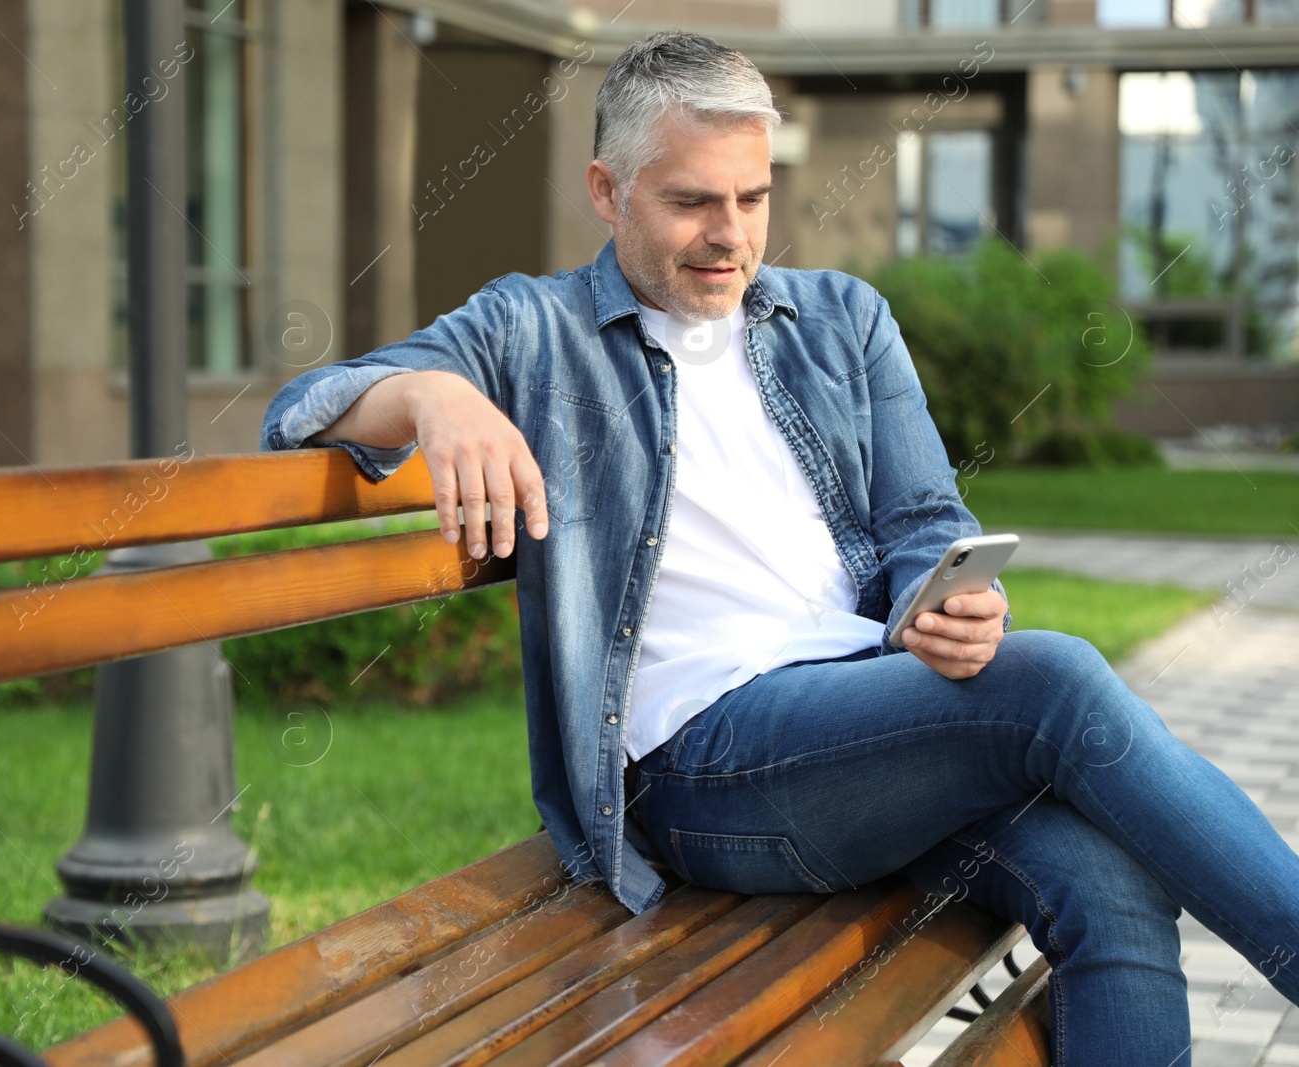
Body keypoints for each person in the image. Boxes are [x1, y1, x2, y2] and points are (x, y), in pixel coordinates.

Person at [261, 29, 1299, 1062]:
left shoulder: (839, 319)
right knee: (1057, 681)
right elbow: (303, 408)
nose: (729, 234)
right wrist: (436, 393)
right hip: (699, 767)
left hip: (864, 725)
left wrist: (932, 605)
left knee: (1110, 882)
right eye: (690, 202)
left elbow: (923, 520)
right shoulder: (534, 330)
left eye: (751, 199)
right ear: (605, 189)